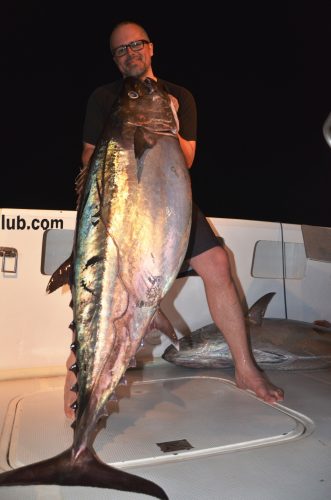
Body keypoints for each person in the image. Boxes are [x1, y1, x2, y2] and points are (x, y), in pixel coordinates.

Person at [68, 20, 283, 418]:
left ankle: (245, 368)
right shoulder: (103, 98)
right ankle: (84, 377)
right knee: (101, 282)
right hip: (119, 207)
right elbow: (87, 159)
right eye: (120, 50)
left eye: (136, 45)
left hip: (169, 202)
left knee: (218, 263)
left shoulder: (180, 96)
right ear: (114, 61)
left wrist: (167, 122)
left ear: (151, 48)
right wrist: (124, 132)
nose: (130, 53)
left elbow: (186, 159)